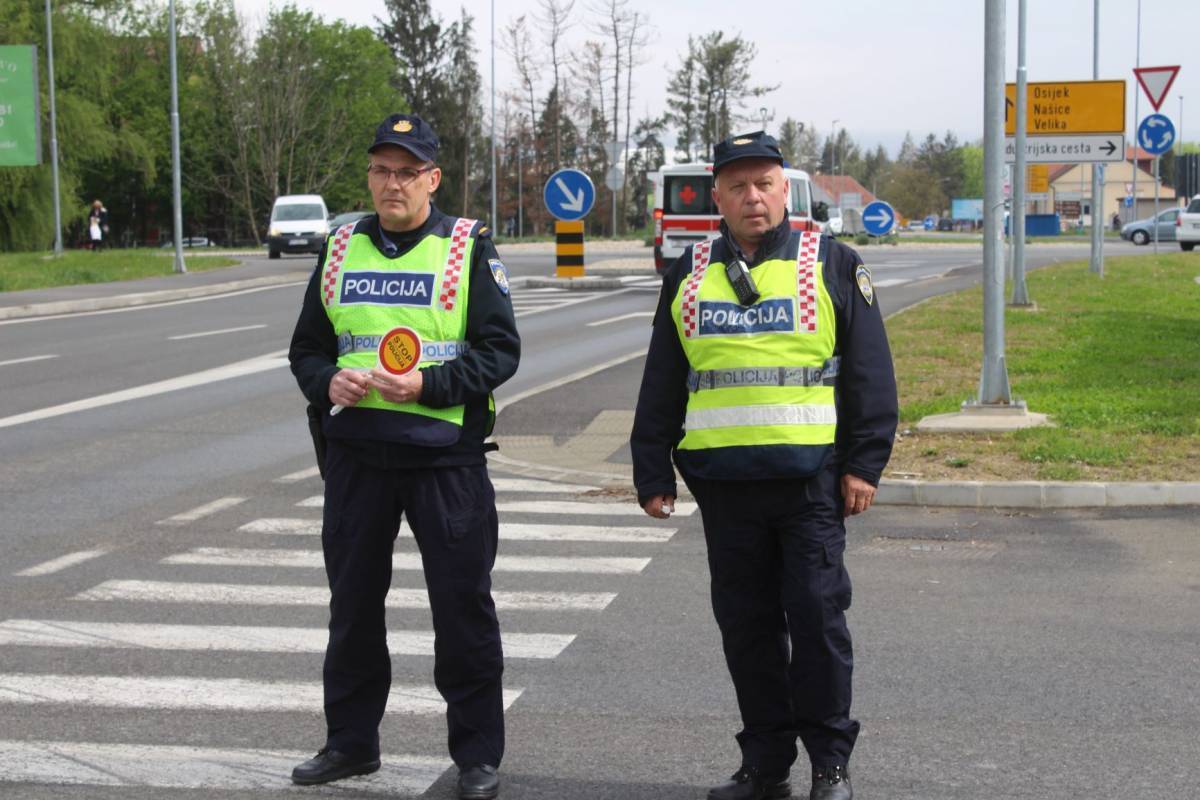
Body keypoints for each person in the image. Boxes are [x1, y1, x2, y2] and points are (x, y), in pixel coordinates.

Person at [630, 131, 898, 800]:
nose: (753, 197)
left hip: (810, 485)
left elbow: (869, 374)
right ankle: (766, 763)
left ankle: (829, 766)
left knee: (817, 624)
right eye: (738, 186)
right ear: (717, 197)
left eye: (765, 184)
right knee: (747, 633)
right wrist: (651, 471)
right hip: (725, 490)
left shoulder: (831, 262)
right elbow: (663, 377)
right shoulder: (688, 273)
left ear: (785, 190)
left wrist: (864, 465)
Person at [288, 113, 520, 800]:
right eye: (382, 170)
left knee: (462, 610)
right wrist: (326, 381)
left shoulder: (467, 247)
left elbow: (500, 352)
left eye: (408, 172)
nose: (394, 183)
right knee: (353, 609)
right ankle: (350, 744)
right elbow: (307, 348)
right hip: (357, 457)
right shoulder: (340, 248)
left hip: (444, 460)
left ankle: (476, 757)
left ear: (433, 179)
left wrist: (428, 385)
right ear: (370, 177)